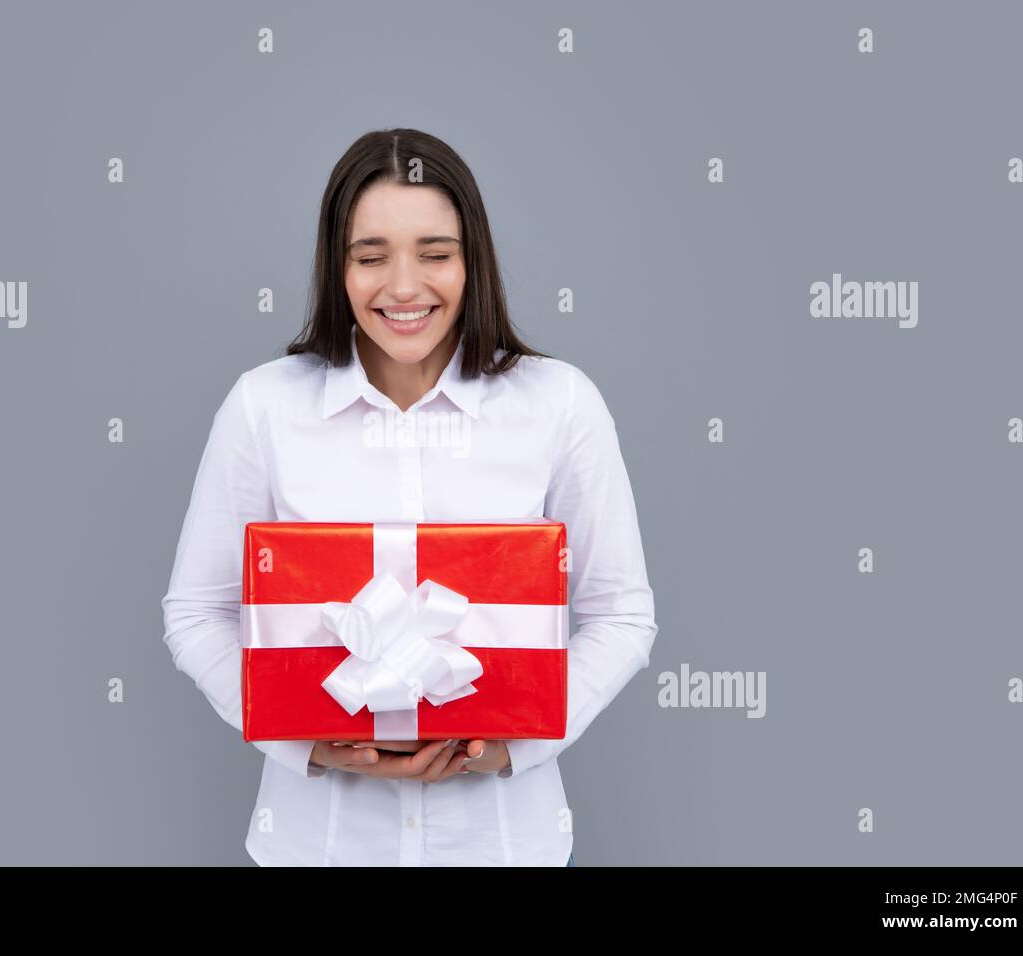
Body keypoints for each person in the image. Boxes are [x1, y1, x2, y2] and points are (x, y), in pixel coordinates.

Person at [161, 128, 658, 866]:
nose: (403, 287)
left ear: (473, 260)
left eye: (435, 254)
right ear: (338, 268)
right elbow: (195, 612)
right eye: (370, 258)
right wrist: (310, 748)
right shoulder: (263, 408)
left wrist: (513, 750)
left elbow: (623, 615)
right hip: (318, 844)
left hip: (503, 842)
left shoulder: (560, 404)